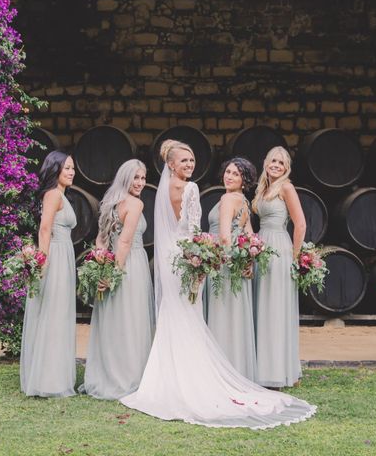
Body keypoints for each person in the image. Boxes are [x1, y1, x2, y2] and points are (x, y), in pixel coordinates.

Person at [120, 140, 316, 429]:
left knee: (175, 313)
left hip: (173, 255)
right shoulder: (192, 188)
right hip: (189, 254)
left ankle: (172, 375)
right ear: (171, 164)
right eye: (184, 160)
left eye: (191, 160)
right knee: (188, 312)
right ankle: (192, 374)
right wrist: (203, 252)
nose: (190, 164)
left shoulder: (169, 189)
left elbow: (209, 231)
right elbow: (194, 229)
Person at [82, 159, 154, 400]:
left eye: (143, 178)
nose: (140, 183)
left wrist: (102, 265)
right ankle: (128, 376)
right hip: (129, 265)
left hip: (113, 262)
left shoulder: (110, 203)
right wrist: (113, 274)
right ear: (125, 178)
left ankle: (109, 373)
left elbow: (100, 241)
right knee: (131, 320)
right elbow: (124, 241)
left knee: (114, 318)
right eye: (136, 177)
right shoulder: (135, 204)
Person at [21, 150, 78, 397]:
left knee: (59, 314)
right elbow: (44, 230)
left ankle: (54, 374)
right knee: (53, 313)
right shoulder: (54, 194)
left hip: (63, 254)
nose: (71, 172)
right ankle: (48, 380)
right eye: (66, 168)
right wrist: (42, 262)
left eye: (73, 168)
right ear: (55, 169)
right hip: (54, 256)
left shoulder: (61, 195)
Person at [252, 146, 306, 388]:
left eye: (281, 163)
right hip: (261, 246)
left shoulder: (286, 187)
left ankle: (279, 369)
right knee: (261, 305)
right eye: (272, 160)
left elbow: (301, 224)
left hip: (279, 247)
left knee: (275, 306)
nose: (275, 165)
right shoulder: (263, 188)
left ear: (286, 168)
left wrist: (294, 257)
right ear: (265, 162)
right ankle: (261, 366)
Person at [206, 158, 257, 380]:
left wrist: (220, 260)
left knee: (222, 315)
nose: (229, 176)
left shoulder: (228, 199)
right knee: (235, 317)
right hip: (237, 263)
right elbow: (250, 236)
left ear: (244, 180)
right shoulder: (244, 202)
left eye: (235, 174)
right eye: (227, 172)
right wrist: (248, 260)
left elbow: (225, 236)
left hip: (223, 264)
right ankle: (236, 369)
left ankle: (220, 371)